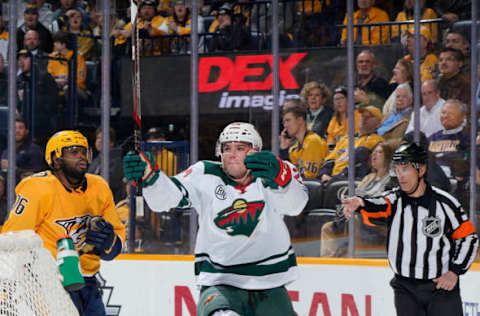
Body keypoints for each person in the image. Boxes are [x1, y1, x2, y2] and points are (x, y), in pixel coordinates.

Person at [123, 122, 308, 316]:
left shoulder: (275, 173)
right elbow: (167, 198)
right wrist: (151, 178)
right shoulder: (204, 173)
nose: (232, 154)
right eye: (227, 148)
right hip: (221, 281)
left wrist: (279, 175)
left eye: (240, 148)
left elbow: (295, 205)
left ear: (255, 151)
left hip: (270, 283)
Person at [342, 142, 478, 316]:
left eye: (405, 169)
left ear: (421, 170)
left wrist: (455, 271)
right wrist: (361, 203)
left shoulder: (445, 203)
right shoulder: (394, 199)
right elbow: (378, 204)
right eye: (397, 170)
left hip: (440, 288)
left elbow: (468, 237)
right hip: (405, 288)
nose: (401, 176)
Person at [1, 130, 125, 315]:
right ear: (56, 160)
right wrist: (6, 287)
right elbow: (12, 240)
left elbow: (114, 247)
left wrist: (108, 242)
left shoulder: (99, 186)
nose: (82, 156)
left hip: (88, 282)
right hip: (48, 282)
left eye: (84, 151)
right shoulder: (37, 188)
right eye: (73, 152)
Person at [321, 141, 393, 257]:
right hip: (360, 217)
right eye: (373, 152)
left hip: (376, 221)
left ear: (388, 157)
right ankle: (329, 262)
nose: (374, 155)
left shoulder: (391, 179)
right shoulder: (368, 178)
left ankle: (353, 258)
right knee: (327, 228)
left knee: (354, 220)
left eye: (379, 152)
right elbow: (357, 196)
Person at [319, 105, 384, 183]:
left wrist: (334, 180)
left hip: (350, 181)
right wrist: (325, 174)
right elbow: (330, 159)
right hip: (331, 179)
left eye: (369, 117)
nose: (364, 118)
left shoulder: (377, 141)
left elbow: (359, 162)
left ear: (378, 124)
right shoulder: (345, 139)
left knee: (361, 151)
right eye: (363, 115)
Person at [428, 99, 470, 206]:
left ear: (462, 117)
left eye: (450, 114)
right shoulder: (432, 137)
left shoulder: (467, 137)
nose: (445, 116)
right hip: (430, 179)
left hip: (451, 182)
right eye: (443, 112)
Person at [279, 99, 328, 179]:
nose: (285, 125)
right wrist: (284, 148)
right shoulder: (294, 148)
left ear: (300, 120)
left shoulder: (313, 141)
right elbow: (285, 174)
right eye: (284, 122)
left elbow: (309, 176)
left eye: (288, 120)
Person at [87, 127, 125, 203]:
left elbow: (111, 183)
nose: (99, 141)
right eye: (98, 138)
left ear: (111, 143)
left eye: (103, 138)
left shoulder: (117, 161)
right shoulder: (96, 160)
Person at [377, 83, 413, 148]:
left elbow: (406, 140)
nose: (400, 99)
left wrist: (383, 144)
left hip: (388, 148)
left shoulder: (413, 117)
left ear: (411, 100)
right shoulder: (388, 113)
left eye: (404, 97)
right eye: (398, 96)